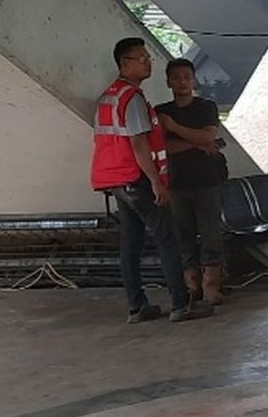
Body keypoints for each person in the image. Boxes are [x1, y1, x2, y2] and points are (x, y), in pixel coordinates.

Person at [90, 38, 214, 323]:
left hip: (116, 181)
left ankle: (137, 306)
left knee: (130, 242)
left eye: (148, 58)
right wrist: (156, 182)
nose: (148, 62)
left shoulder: (109, 96)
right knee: (167, 238)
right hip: (136, 179)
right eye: (141, 58)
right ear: (124, 63)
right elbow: (139, 145)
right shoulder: (131, 98)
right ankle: (181, 304)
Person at [157, 58, 228, 306]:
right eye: (176, 77)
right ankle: (191, 285)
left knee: (211, 234)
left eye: (187, 77)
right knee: (182, 235)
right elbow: (163, 147)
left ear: (194, 79)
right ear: (168, 81)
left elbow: (210, 134)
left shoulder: (206, 107)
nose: (182, 82)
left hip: (207, 180)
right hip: (175, 183)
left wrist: (176, 128)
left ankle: (212, 285)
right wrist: (197, 143)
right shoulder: (160, 112)